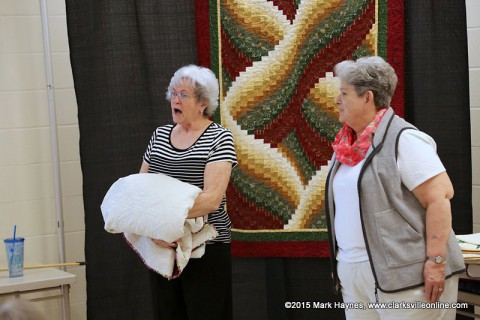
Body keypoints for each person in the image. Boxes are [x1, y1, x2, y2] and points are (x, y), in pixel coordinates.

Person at [325, 56, 465, 320]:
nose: (337, 100)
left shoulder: (405, 139)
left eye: (343, 93)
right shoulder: (344, 147)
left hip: (408, 278)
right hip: (355, 272)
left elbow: (440, 197)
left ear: (367, 97)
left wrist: (436, 263)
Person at [139, 64, 237, 320]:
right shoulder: (159, 136)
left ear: (203, 103)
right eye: (173, 93)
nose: (175, 99)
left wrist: (166, 223)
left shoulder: (219, 138)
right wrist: (155, 230)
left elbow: (211, 199)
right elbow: (141, 189)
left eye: (183, 94)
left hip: (205, 248)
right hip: (162, 248)